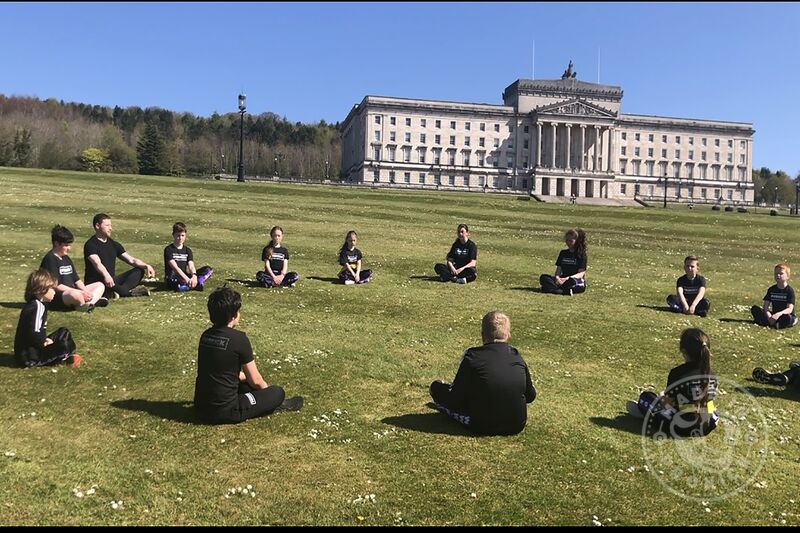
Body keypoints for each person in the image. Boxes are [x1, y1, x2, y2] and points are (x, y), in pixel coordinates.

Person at [193, 287, 303, 424]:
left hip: (201, 407)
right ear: (233, 315)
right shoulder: (239, 339)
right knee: (277, 392)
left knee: (245, 387)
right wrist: (268, 395)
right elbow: (256, 380)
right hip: (226, 411)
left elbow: (220, 371)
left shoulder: (206, 336)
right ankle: (276, 403)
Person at [429, 311, 536, 436]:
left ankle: (435, 388)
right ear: (509, 335)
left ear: (482, 335)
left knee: (437, 389)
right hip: (517, 424)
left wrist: (437, 388)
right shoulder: (517, 356)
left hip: (482, 424)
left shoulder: (472, 356)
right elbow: (530, 396)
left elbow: (455, 398)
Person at [626, 328, 718, 438]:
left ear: (684, 351)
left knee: (646, 397)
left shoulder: (678, 373)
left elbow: (666, 404)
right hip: (705, 426)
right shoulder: (711, 374)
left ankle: (644, 412)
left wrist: (661, 397)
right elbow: (709, 402)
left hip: (683, 426)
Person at [13, 269, 82, 368]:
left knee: (63, 332)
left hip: (31, 350)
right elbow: (34, 332)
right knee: (64, 344)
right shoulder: (36, 306)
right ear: (42, 289)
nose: (54, 292)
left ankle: (66, 355)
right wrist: (44, 342)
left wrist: (45, 340)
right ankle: (66, 358)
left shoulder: (38, 304)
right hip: (30, 357)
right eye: (52, 289)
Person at [84, 213, 155, 298]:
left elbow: (131, 260)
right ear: (97, 226)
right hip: (98, 282)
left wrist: (146, 266)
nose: (110, 228)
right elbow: (97, 263)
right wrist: (106, 276)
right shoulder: (91, 244)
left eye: (110, 225)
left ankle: (117, 291)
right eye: (107, 225)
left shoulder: (113, 244)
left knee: (139, 271)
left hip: (111, 280)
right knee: (116, 288)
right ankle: (126, 292)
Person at [39, 224, 108, 312]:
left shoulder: (66, 258)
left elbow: (76, 279)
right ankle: (89, 302)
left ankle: (87, 303)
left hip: (73, 291)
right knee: (74, 294)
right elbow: (56, 285)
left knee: (99, 285)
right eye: (66, 245)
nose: (69, 248)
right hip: (59, 295)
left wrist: (85, 291)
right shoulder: (50, 259)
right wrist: (80, 292)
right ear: (56, 243)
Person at [164, 222, 213, 292]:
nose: (180, 238)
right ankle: (194, 285)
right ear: (173, 235)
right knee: (173, 281)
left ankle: (193, 284)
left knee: (208, 270)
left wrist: (194, 276)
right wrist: (187, 279)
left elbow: (191, 266)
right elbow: (175, 268)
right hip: (174, 277)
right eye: (178, 235)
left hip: (185, 276)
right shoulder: (168, 249)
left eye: (182, 235)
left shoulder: (187, 250)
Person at [539, 228, 587, 295]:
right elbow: (558, 269)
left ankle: (551, 289)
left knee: (572, 282)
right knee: (544, 277)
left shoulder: (581, 255)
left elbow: (581, 274)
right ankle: (560, 290)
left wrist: (567, 278)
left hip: (573, 280)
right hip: (562, 279)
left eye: (571, 241)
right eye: (567, 240)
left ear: (576, 241)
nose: (568, 242)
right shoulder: (563, 253)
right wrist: (557, 278)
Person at [751, 263, 797, 329]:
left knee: (788, 318)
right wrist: (769, 316)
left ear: (787, 276)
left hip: (784, 315)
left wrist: (778, 314)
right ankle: (773, 323)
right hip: (773, 314)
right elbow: (765, 307)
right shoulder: (772, 289)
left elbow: (789, 309)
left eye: (781, 273)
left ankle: (771, 323)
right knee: (755, 309)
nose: (778, 275)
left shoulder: (789, 291)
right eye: (776, 273)